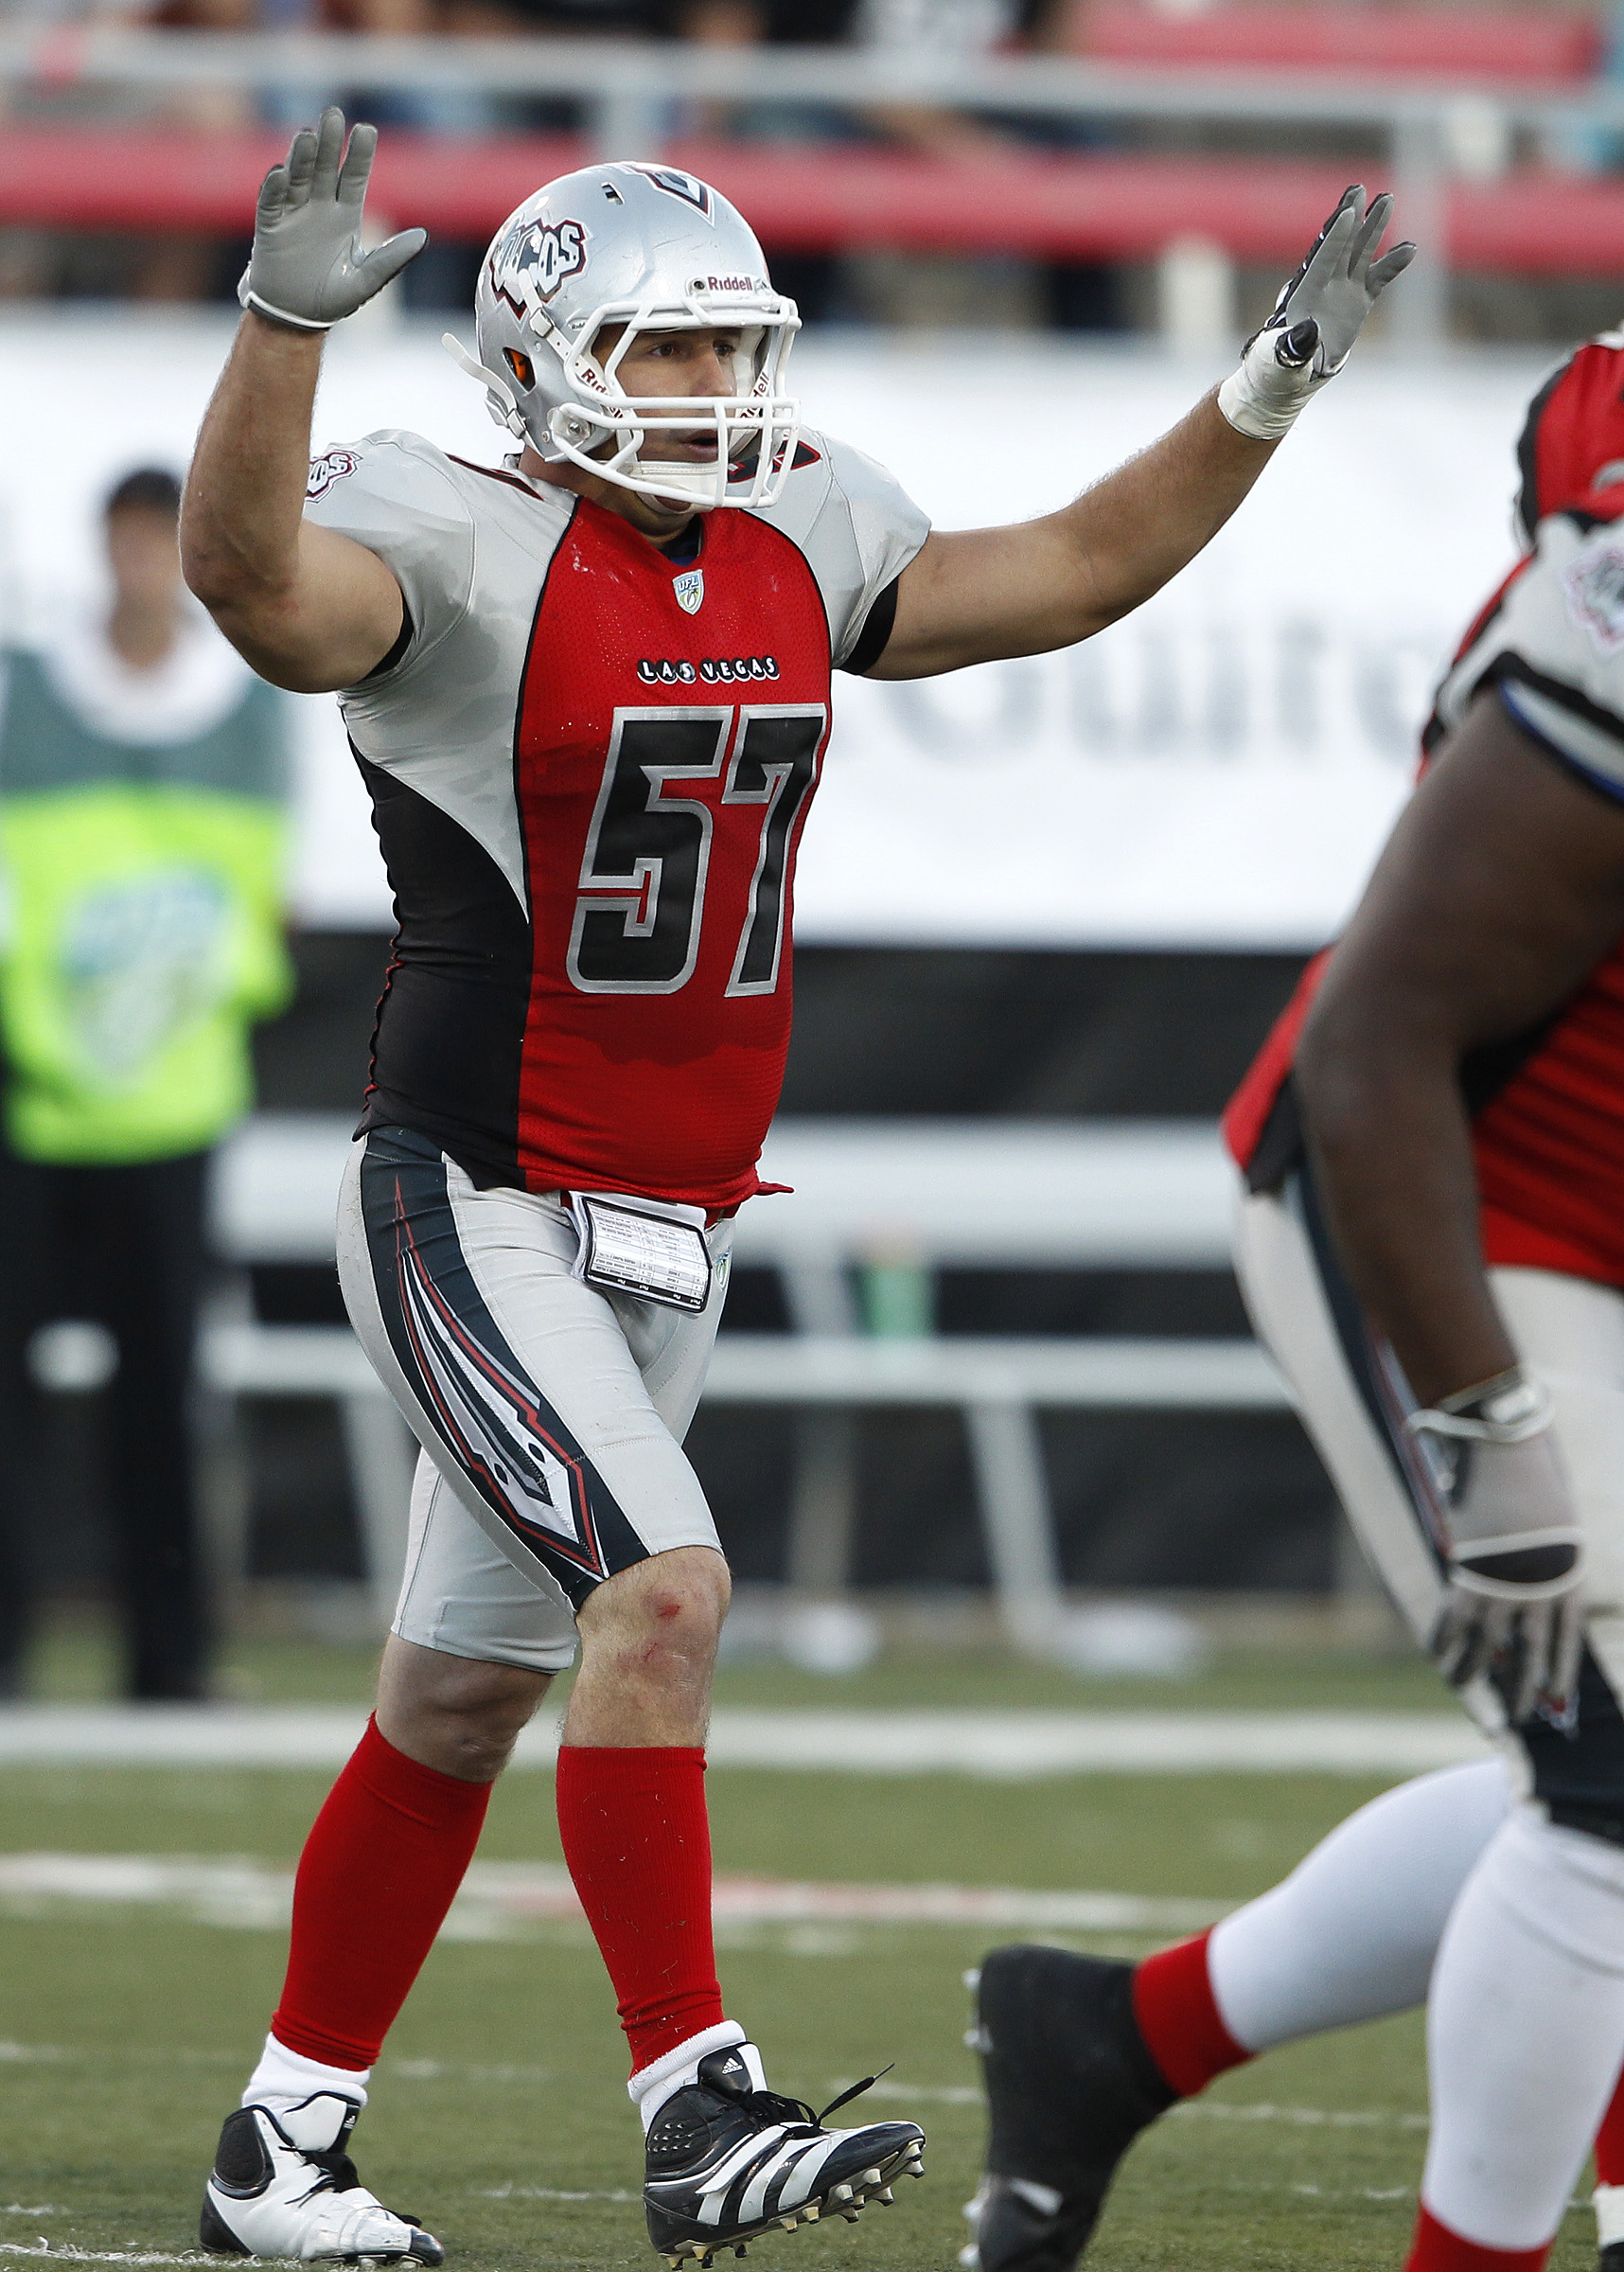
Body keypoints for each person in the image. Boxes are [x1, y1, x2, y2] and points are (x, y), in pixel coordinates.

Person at [177, 105, 1409, 2267]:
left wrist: (1265, 388)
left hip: (676, 1218)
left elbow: (1072, 572)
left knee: (456, 1699)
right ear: (545, 361)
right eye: (665, 349)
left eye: (733, 345)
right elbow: (255, 589)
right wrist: (279, 326)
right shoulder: (442, 537)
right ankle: (698, 2103)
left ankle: (281, 2142)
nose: (712, 388)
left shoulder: (802, 527)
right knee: (663, 1597)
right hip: (473, 1193)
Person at [966, 330, 1624, 2272]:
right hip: (1453, 1206)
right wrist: (1489, 1428)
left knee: (1599, 1778)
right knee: (1606, 1779)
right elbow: (1375, 1050)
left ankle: (1113, 2041)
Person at [0, 468, 292, 1699]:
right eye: (127, 541)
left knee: (162, 1402)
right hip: (26, 1097)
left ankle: (171, 1664)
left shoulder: (249, 710)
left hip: (174, 1109)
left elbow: (265, 906)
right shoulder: (25, 695)